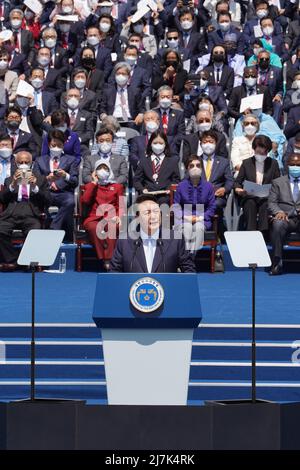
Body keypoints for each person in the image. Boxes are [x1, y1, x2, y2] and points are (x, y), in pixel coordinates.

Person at [110, 193, 196, 273]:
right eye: (147, 213)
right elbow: (114, 273)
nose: (153, 216)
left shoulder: (176, 239)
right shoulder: (124, 241)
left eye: (156, 211)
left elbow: (189, 270)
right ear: (137, 217)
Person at [0, 150, 50, 271]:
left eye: (26, 162)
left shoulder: (41, 179)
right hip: (12, 213)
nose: (23, 164)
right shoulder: (9, 180)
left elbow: (48, 200)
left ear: (31, 164)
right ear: (16, 164)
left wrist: (35, 188)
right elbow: (2, 198)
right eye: (20, 162)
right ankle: (13, 260)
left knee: (35, 231)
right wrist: (12, 185)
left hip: (30, 213)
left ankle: (27, 260)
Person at [34, 130, 79, 240]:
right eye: (54, 145)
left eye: (59, 145)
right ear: (49, 144)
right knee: (38, 201)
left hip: (63, 192)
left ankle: (54, 227)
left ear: (63, 145)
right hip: (46, 192)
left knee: (70, 202)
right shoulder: (40, 160)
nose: (56, 148)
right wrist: (47, 179)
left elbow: (74, 181)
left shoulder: (71, 160)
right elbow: (35, 180)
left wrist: (65, 175)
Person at [81, 159, 124, 271]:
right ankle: (103, 258)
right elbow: (85, 201)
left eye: (105, 168)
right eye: (99, 168)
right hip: (94, 218)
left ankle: (109, 260)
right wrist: (94, 183)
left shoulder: (118, 186)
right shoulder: (90, 186)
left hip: (111, 217)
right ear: (95, 172)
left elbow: (122, 205)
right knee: (95, 227)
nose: (102, 171)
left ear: (110, 170)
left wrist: (119, 216)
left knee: (112, 226)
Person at [235, 135, 280, 233]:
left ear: (267, 151)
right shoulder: (246, 163)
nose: (260, 155)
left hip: (266, 197)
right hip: (250, 196)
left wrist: (272, 192)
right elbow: (238, 182)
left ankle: (263, 233)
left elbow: (278, 183)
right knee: (250, 204)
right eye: (258, 152)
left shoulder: (273, 164)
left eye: (263, 153)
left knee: (265, 205)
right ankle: (251, 232)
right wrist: (238, 190)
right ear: (254, 149)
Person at [174, 156, 216, 252]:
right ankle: (186, 259)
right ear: (187, 169)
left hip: (202, 219)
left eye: (198, 165)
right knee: (187, 228)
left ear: (202, 168)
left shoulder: (208, 186)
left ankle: (190, 258)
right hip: (184, 219)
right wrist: (185, 217)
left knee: (198, 228)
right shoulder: (181, 186)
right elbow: (176, 206)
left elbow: (212, 206)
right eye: (191, 166)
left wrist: (200, 217)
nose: (195, 168)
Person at [268, 153, 300, 275]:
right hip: (286, 218)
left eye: (298, 165)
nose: (295, 167)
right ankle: (277, 262)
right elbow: (271, 202)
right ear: (287, 165)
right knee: (278, 224)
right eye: (292, 164)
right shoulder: (278, 182)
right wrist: (279, 212)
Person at [133, 130, 180, 205]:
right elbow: (136, 180)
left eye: (161, 143)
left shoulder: (172, 161)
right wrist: (142, 189)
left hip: (165, 196)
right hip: (148, 195)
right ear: (150, 144)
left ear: (165, 145)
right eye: (155, 143)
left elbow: (176, 179)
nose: (158, 145)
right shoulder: (143, 161)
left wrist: (169, 189)